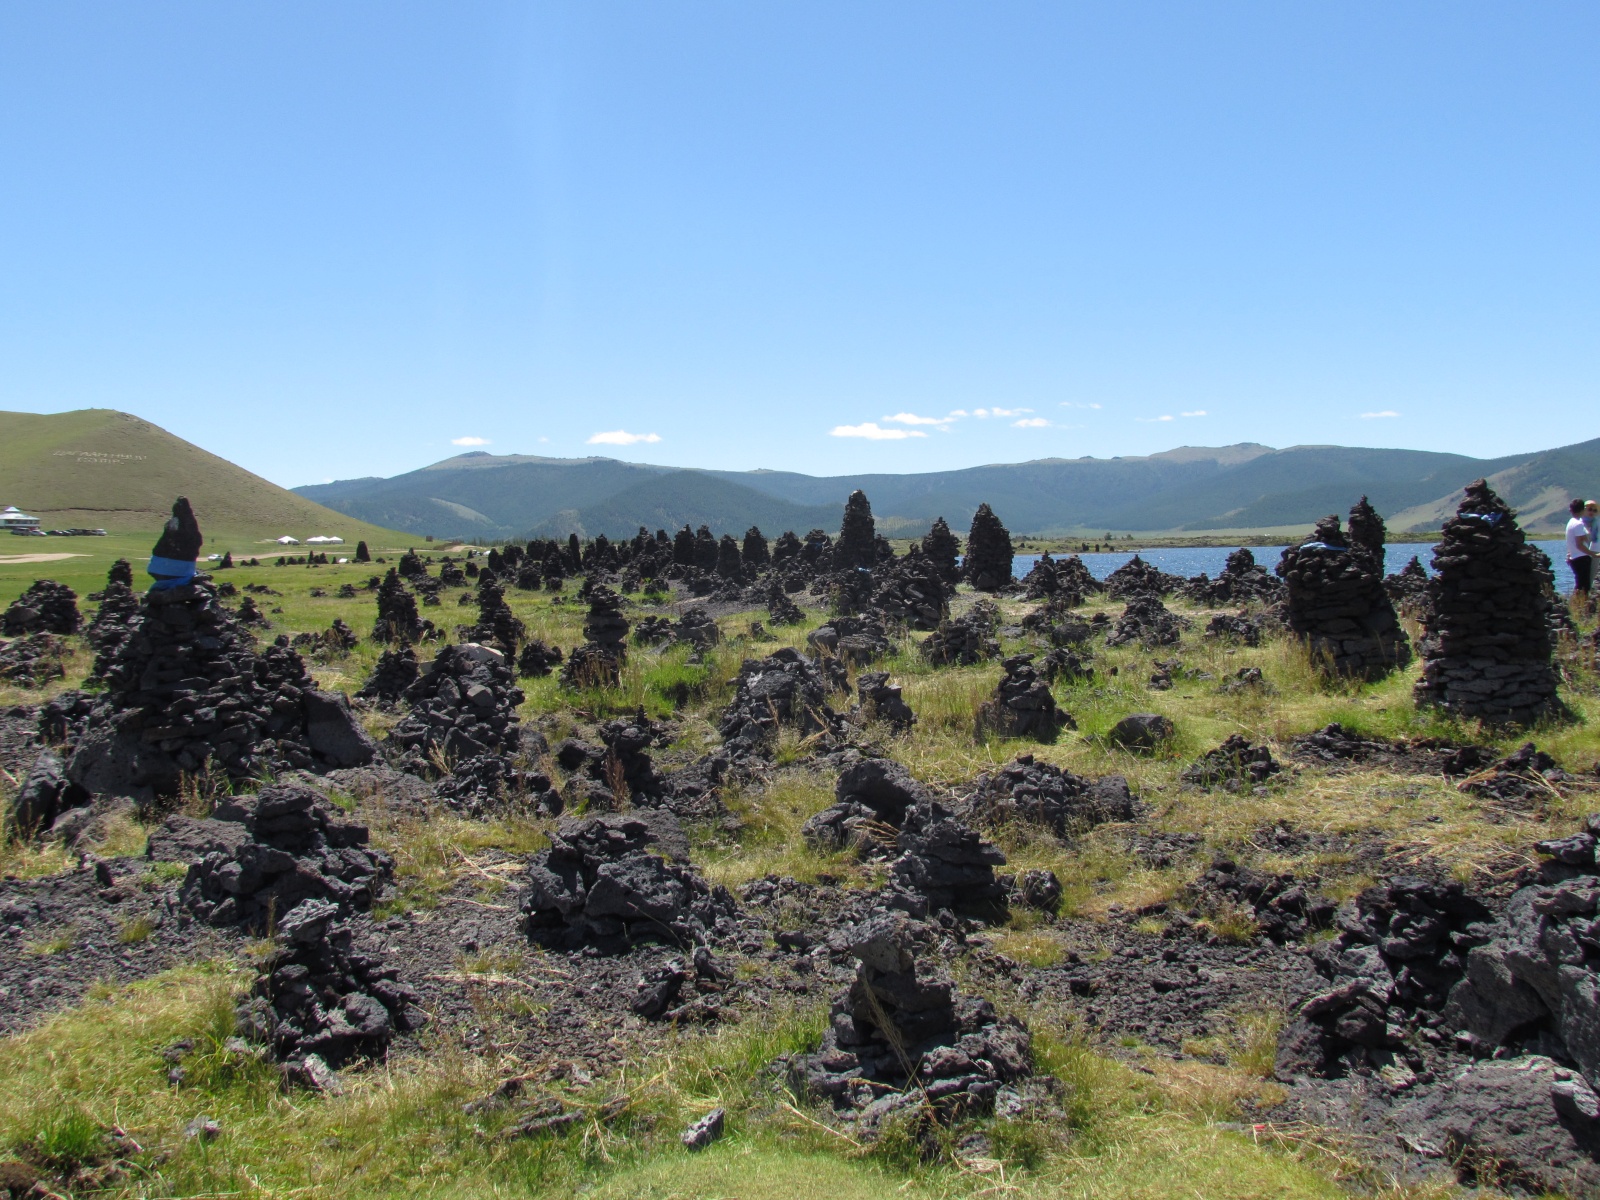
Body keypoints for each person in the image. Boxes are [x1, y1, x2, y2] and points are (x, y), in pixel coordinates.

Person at [147, 496, 203, 590]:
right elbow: (196, 541)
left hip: (159, 566)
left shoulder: (171, 525)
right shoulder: (189, 526)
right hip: (181, 569)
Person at [1565, 498, 1594, 601]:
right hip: (1581, 558)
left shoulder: (1571, 522)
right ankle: (1580, 607)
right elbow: (1579, 544)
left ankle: (1577, 606)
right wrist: (1592, 554)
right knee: (1584, 586)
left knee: (1580, 584)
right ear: (1582, 509)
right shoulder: (1578, 524)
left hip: (1575, 557)